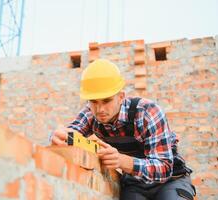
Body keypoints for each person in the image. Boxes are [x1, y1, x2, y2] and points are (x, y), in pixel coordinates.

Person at [51, 59, 196, 200]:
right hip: (135, 184)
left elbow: (164, 168)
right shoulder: (90, 113)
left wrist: (121, 161)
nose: (100, 109)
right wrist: (60, 136)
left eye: (107, 100)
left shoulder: (147, 112)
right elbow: (70, 133)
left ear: (121, 96)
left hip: (171, 180)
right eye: (93, 102)